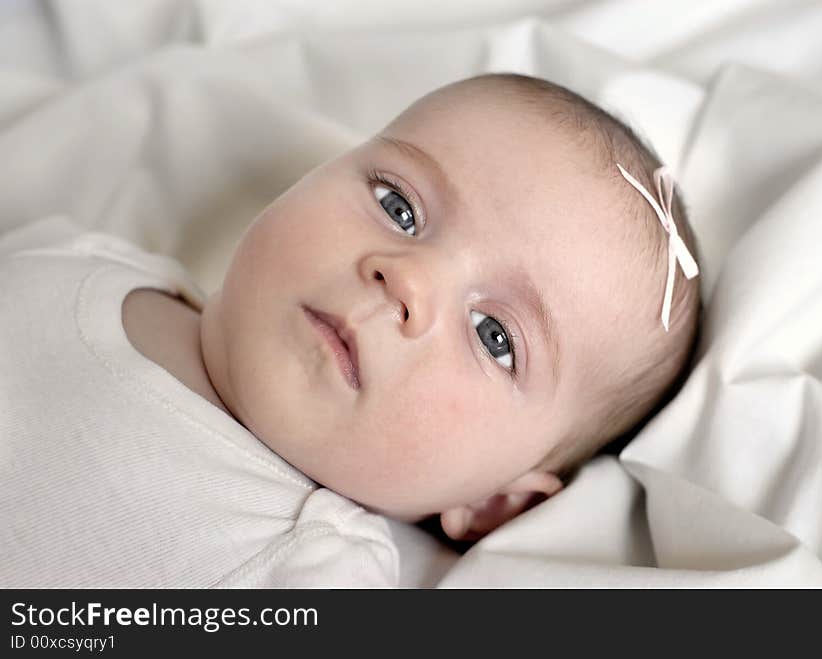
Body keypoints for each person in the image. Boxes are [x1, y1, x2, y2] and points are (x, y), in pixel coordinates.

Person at [0, 73, 701, 587]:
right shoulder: (84, 255)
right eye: (398, 205)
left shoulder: (309, 570)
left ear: (493, 502)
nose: (408, 278)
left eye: (495, 335)